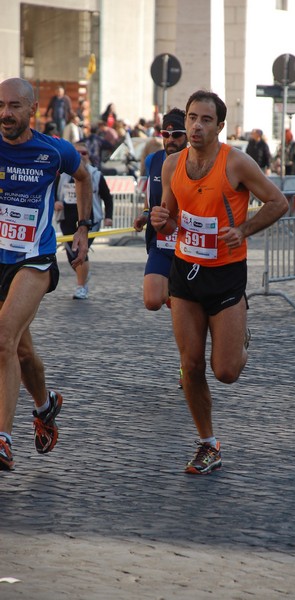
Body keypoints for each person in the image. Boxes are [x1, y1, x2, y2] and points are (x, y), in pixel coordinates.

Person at [151, 90, 288, 475]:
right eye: (192, 117)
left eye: (205, 119)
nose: (196, 125)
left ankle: (240, 331)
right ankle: (208, 444)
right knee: (190, 365)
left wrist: (243, 230)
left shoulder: (236, 163)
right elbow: (173, 217)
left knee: (225, 371)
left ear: (220, 126)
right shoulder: (171, 165)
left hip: (226, 273)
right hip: (185, 271)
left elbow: (278, 202)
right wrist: (162, 219)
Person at [0, 78, 92, 471]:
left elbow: (84, 177)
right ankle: (45, 405)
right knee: (20, 349)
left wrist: (84, 227)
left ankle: (2, 439)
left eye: (15, 106)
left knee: (3, 338)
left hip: (34, 259)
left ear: (33, 109)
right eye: (1, 105)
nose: (5, 113)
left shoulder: (54, 151)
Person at [134, 109, 187, 310]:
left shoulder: (196, 161)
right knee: (152, 300)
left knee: (190, 305)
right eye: (165, 134)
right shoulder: (152, 160)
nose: (170, 139)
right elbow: (151, 198)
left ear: (187, 135)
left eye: (177, 135)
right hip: (162, 241)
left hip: (189, 242)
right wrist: (145, 214)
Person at [55, 141, 113, 299]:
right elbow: (52, 192)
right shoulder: (62, 175)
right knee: (70, 255)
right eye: (77, 153)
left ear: (89, 156)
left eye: (84, 153)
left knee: (79, 251)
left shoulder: (95, 174)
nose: (80, 156)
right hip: (66, 219)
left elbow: (107, 197)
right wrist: (55, 202)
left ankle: (81, 286)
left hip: (90, 220)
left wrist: (109, 216)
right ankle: (84, 272)